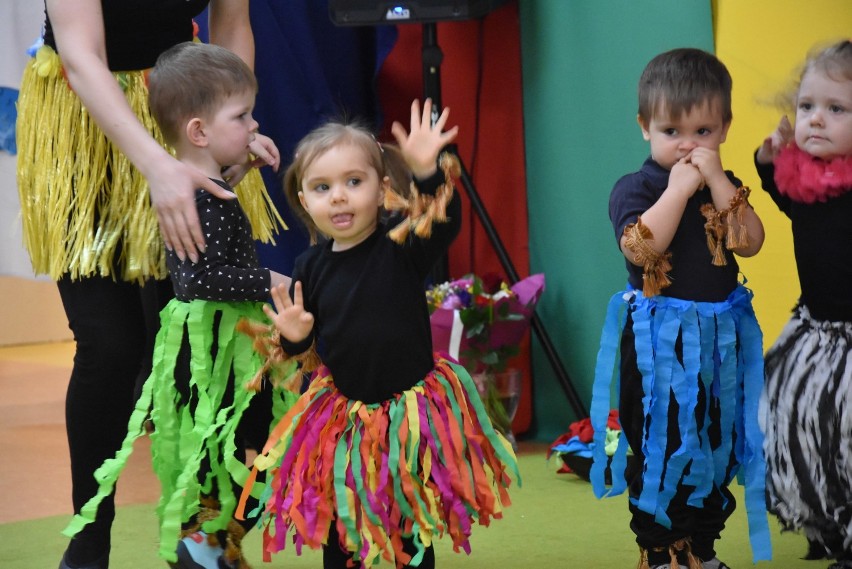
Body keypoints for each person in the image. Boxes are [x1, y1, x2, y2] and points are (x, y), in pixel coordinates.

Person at [15, 2, 282, 569]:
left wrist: (228, 127)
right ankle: (89, 536)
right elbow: (82, 54)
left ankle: (202, 537)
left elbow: (233, 23)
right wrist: (159, 168)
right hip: (84, 119)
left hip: (184, 110)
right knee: (109, 347)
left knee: (199, 340)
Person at [235, 99, 519, 569]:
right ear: (305, 200)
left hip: (409, 419)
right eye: (322, 187)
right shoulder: (309, 267)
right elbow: (306, 351)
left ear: (383, 187)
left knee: (410, 530)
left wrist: (427, 173)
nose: (339, 197)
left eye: (354, 182)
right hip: (345, 422)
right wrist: (295, 337)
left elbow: (444, 221)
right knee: (343, 531)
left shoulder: (400, 244)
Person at [588, 48, 770, 569]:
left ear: (726, 128)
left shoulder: (724, 186)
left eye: (704, 132)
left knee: (714, 448)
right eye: (672, 132)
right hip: (658, 353)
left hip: (716, 350)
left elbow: (751, 242)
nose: (689, 146)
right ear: (645, 127)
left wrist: (717, 183)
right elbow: (641, 250)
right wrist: (680, 188)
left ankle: (702, 548)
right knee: (659, 450)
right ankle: (662, 551)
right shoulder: (638, 187)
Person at [755, 39, 852, 569]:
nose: (815, 119)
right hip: (813, 335)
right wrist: (769, 159)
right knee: (795, 427)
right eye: (807, 105)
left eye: (836, 109)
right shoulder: (805, 180)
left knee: (848, 439)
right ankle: (824, 521)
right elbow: (781, 190)